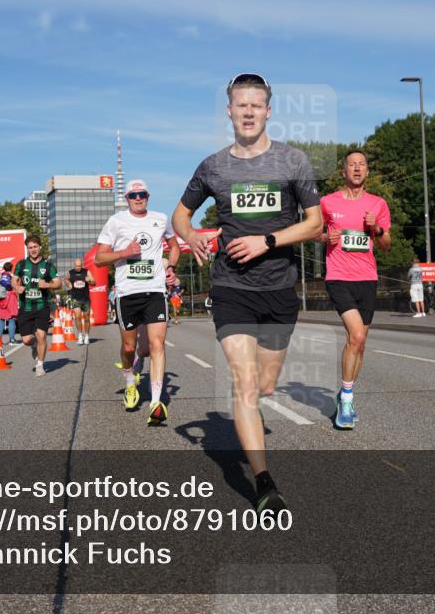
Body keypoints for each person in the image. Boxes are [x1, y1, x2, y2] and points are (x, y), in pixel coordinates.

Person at [173, 72, 322, 513]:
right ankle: (263, 483)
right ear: (230, 111)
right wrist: (193, 236)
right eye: (242, 105)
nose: (249, 112)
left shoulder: (293, 161)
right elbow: (181, 216)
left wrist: (268, 241)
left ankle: (252, 435)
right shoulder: (213, 166)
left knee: (266, 383)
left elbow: (315, 224)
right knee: (244, 380)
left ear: (269, 110)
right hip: (232, 285)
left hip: (278, 288)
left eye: (257, 105)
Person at [95, 179, 180, 425]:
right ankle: (130, 381)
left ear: (148, 196)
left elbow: (174, 246)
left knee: (157, 345)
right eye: (133, 195)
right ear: (127, 199)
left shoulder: (160, 219)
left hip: (154, 290)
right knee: (130, 348)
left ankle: (155, 402)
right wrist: (124, 253)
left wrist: (171, 267)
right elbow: (100, 258)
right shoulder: (116, 221)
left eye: (142, 194)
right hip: (127, 293)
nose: (138, 198)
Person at [318, 149, 392, 430]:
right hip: (338, 276)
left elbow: (387, 245)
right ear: (344, 171)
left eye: (362, 165)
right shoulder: (328, 202)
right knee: (357, 334)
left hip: (367, 277)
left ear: (367, 171)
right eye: (352, 165)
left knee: (360, 342)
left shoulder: (378, 204)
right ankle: (347, 400)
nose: (357, 169)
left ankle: (345, 392)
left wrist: (378, 230)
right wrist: (325, 235)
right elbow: (312, 230)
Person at [12, 235, 61, 377]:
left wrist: (48, 284)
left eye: (35, 247)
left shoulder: (48, 266)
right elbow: (13, 281)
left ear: (40, 247)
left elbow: (58, 283)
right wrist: (17, 287)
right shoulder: (21, 264)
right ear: (27, 249)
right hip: (25, 307)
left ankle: (40, 365)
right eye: (30, 248)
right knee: (27, 340)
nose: (32, 250)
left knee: (42, 335)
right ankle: (34, 346)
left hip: (42, 306)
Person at [65, 257, 96, 345]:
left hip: (85, 299)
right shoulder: (70, 272)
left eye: (79, 266)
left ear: (82, 265)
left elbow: (94, 283)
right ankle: (80, 335)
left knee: (86, 317)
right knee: (77, 316)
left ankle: (86, 336)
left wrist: (89, 281)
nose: (78, 267)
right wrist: (69, 283)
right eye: (76, 266)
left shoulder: (87, 272)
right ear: (74, 265)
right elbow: (66, 279)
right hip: (75, 299)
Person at [0, 262, 19, 345]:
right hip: (10, 297)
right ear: (11, 268)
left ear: (4, 268)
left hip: (1, 298)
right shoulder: (12, 276)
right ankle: (12, 340)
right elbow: (16, 286)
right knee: (11, 319)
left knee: (1, 320)